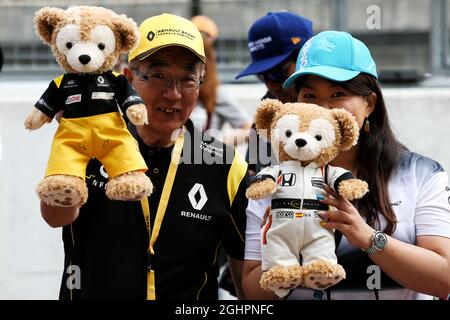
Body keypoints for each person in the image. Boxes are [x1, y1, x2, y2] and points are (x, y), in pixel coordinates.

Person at [40, 13, 249, 300]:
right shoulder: (90, 143)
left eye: (187, 79)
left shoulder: (226, 166)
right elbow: (55, 217)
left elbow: (246, 280)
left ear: (200, 84)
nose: (173, 94)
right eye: (157, 76)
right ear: (128, 78)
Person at [243, 30, 450, 300]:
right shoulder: (273, 181)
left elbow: (444, 279)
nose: (323, 110)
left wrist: (368, 238)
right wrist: (288, 247)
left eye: (338, 93)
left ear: (370, 104)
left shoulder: (421, 174)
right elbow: (250, 291)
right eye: (309, 96)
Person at [235, 11, 314, 175]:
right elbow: (253, 176)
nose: (271, 84)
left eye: (278, 72)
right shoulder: (267, 112)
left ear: (305, 58)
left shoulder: (336, 110)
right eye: (262, 75)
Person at [189, 15, 252, 147]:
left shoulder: (216, 94)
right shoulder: (173, 90)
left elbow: (250, 129)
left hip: (201, 163)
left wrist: (214, 145)